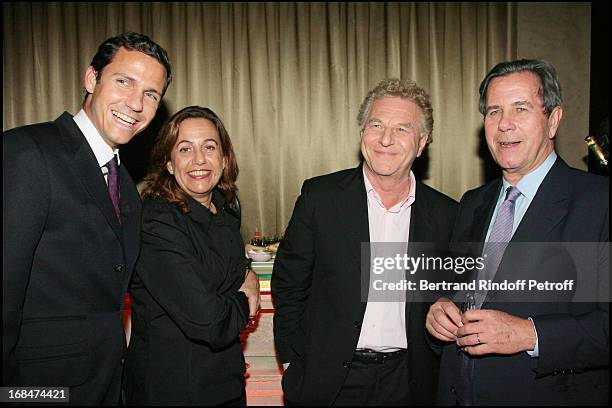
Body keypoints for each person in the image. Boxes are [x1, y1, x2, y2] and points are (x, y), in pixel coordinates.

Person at [426, 59, 609, 405]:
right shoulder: (471, 203)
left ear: (553, 120)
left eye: (520, 109)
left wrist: (530, 334)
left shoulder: (598, 204)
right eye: (494, 112)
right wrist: (439, 311)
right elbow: (456, 291)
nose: (504, 125)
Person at [3, 32, 171, 404]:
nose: (135, 104)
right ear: (91, 79)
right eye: (124, 81)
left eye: (151, 95)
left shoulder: (125, 182)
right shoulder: (27, 153)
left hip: (105, 385)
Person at [272, 78, 458, 405]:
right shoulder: (321, 198)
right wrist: (292, 362)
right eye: (376, 125)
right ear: (362, 134)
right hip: (328, 379)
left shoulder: (446, 214)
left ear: (422, 142)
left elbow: (453, 292)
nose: (386, 139)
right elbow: (289, 284)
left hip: (410, 381)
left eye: (402, 129)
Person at [124, 106, 261, 405]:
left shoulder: (224, 212)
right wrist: (246, 294)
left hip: (224, 384)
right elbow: (209, 322)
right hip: (174, 389)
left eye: (209, 147)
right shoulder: (157, 222)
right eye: (185, 149)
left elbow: (231, 269)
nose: (199, 159)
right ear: (170, 164)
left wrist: (247, 271)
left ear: (224, 160)